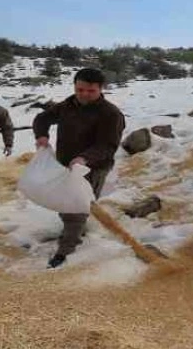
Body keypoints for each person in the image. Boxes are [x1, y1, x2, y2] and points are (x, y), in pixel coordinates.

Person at [33, 68, 126, 268]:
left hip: (93, 167)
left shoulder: (111, 114)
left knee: (77, 208)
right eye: (80, 89)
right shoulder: (69, 104)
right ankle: (74, 229)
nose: (84, 94)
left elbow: (107, 145)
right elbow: (42, 119)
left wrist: (85, 158)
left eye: (90, 91)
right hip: (65, 164)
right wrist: (41, 135)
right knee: (67, 204)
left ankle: (67, 248)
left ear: (101, 89)